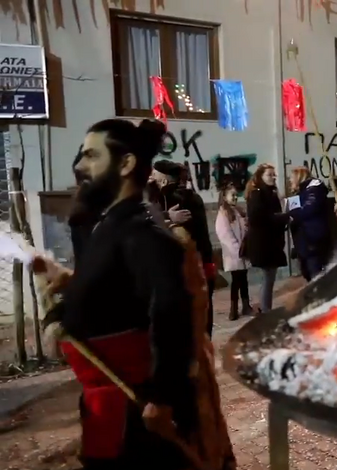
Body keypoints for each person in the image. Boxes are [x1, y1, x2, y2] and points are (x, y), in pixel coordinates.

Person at [31, 118, 204, 469]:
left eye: (92, 155)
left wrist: (163, 398)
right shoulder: (109, 225)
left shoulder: (144, 233)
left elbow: (172, 316)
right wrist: (69, 287)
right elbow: (118, 296)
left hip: (139, 415)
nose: (80, 166)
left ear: (125, 164)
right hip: (113, 411)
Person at [150, 160, 216, 335]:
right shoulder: (193, 197)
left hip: (182, 269)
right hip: (202, 262)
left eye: (154, 175)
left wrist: (164, 214)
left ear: (164, 180)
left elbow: (146, 221)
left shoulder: (166, 198)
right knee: (203, 313)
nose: (150, 178)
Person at [244, 163, 289, 312]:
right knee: (268, 278)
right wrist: (282, 217)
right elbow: (257, 218)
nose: (273, 177)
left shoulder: (270, 192)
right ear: (260, 176)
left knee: (269, 278)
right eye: (269, 175)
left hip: (271, 243)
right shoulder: (257, 194)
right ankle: (265, 310)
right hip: (263, 244)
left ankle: (265, 309)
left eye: (273, 174)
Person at [287, 166, 336, 281]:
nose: (290, 180)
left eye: (292, 178)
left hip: (313, 239)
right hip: (305, 241)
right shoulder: (302, 192)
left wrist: (290, 213)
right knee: (308, 273)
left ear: (299, 177)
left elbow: (309, 209)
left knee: (315, 275)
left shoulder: (314, 190)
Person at [215, 184, 253, 321]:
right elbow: (225, 235)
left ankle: (246, 305)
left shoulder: (238, 211)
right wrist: (238, 250)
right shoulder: (223, 214)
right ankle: (233, 309)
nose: (235, 197)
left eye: (236, 195)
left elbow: (244, 230)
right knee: (236, 281)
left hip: (242, 253)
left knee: (243, 280)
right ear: (225, 197)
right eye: (233, 195)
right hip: (234, 255)